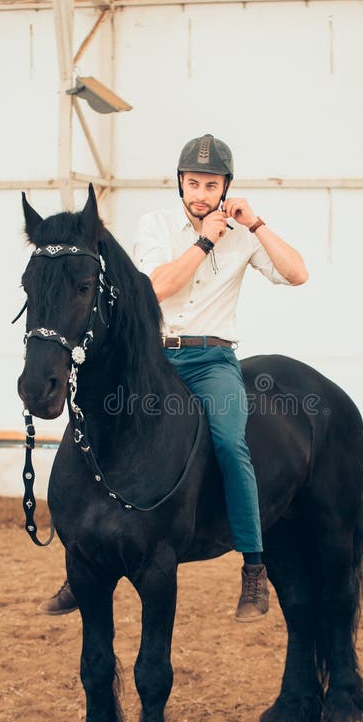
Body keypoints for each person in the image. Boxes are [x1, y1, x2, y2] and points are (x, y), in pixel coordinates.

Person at [40, 133, 308, 621]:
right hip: (156, 358)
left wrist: (258, 225)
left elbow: (298, 274)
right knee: (91, 425)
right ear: (179, 184)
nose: (200, 194)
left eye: (211, 184)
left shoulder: (244, 236)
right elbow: (155, 289)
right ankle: (78, 558)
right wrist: (206, 240)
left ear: (225, 188)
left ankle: (252, 568)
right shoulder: (157, 225)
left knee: (231, 443)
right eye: (192, 183)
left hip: (212, 362)